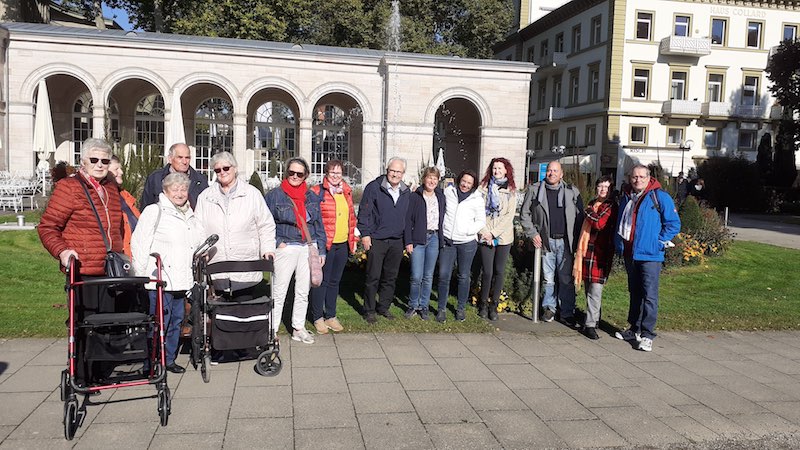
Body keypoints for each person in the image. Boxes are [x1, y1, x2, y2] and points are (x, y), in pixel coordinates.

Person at [194, 151, 276, 360]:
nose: (222, 173)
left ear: (235, 168)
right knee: (221, 308)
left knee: (244, 307)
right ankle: (222, 347)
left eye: (226, 168)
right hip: (218, 261)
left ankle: (246, 345)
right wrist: (202, 250)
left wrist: (267, 248)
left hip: (245, 261)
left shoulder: (252, 194)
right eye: (218, 170)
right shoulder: (206, 196)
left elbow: (265, 224)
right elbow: (198, 227)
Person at [131, 173, 205, 373]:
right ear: (166, 191)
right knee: (158, 323)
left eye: (183, 189)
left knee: (176, 322)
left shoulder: (189, 213)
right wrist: (141, 274)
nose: (180, 193)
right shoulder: (154, 211)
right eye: (175, 189)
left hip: (182, 279)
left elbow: (197, 241)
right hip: (160, 278)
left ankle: (168, 360)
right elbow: (139, 242)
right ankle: (150, 363)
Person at [614, 164, 680, 352]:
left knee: (650, 295)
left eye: (642, 177)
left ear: (648, 178)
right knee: (635, 292)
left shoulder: (659, 197)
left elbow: (673, 224)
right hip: (631, 252)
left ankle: (647, 334)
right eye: (635, 177)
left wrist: (659, 242)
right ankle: (634, 329)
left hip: (651, 254)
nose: (638, 180)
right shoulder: (627, 196)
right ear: (630, 178)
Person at [39, 138, 123, 277]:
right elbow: (47, 226)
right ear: (83, 161)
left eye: (105, 161)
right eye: (94, 160)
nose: (100, 165)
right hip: (83, 269)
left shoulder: (111, 189)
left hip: (113, 269)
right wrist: (62, 251)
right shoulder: (69, 187)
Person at [265, 157, 326, 344]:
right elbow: (265, 223)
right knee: (279, 290)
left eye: (299, 174)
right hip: (287, 246)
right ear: (286, 173)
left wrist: (321, 249)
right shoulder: (275, 195)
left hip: (308, 246)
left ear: (305, 175)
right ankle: (271, 330)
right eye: (291, 172)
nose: (295, 176)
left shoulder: (311, 197)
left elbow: (318, 224)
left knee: (302, 291)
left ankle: (298, 327)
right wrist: (277, 242)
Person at [520, 161, 584, 326]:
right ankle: (549, 308)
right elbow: (524, 214)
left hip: (566, 242)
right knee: (548, 279)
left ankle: (567, 312)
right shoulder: (534, 190)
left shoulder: (572, 192)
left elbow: (580, 218)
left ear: (561, 174)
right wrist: (532, 233)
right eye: (549, 170)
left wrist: (579, 243)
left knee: (566, 279)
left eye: (555, 171)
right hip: (546, 242)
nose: (552, 173)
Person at [357, 157, 411, 324]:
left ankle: (383, 307)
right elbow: (364, 212)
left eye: (398, 172)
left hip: (396, 240)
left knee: (390, 277)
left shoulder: (405, 191)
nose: (394, 174)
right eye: (392, 170)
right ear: (387, 170)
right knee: (373, 276)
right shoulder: (374, 187)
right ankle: (369, 310)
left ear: (403, 174)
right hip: (377, 239)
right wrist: (365, 234)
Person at [310, 160, 357, 334]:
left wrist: (353, 237)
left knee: (335, 281)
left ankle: (330, 314)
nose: (336, 176)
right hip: (326, 244)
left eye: (339, 173)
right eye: (332, 173)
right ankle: (317, 317)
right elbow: (312, 219)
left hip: (342, 243)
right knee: (321, 281)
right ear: (326, 174)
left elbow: (351, 216)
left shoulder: (346, 191)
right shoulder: (317, 191)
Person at [437, 169, 485, 323]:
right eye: (464, 181)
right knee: (444, 275)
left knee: (463, 276)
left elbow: (481, 221)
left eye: (469, 183)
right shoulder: (448, 192)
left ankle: (460, 309)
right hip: (448, 241)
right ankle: (441, 309)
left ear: (473, 185)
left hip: (466, 243)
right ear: (459, 180)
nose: (465, 185)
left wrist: (468, 231)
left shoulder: (477, 199)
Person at [572, 176, 617, 340]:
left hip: (600, 253)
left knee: (595, 291)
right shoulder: (593, 202)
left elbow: (599, 224)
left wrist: (588, 210)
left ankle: (590, 325)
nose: (603, 190)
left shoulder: (610, 205)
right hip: (587, 251)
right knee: (588, 289)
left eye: (606, 187)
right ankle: (595, 318)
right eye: (600, 186)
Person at [477, 158, 517, 321]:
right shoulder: (483, 188)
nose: (497, 171)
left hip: (503, 237)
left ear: (506, 170)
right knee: (487, 272)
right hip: (485, 234)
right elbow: (478, 212)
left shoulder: (511, 191)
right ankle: (483, 304)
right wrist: (485, 232)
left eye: (500, 168)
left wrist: (494, 233)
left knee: (499, 272)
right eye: (494, 168)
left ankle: (494, 305)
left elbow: (509, 217)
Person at [403, 166, 445, 321]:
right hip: (418, 239)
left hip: (434, 238)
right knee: (416, 276)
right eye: (429, 177)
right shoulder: (415, 196)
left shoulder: (440, 196)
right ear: (424, 179)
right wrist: (408, 241)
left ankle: (424, 305)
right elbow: (407, 220)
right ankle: (413, 305)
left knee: (428, 276)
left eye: (435, 178)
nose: (432, 181)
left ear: (438, 180)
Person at [140, 142, 208, 209]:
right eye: (180, 157)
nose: (184, 162)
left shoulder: (200, 181)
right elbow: (146, 207)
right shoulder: (155, 179)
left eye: (187, 158)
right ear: (170, 159)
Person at [108, 155, 141, 257]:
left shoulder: (125, 196)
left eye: (120, 168)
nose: (121, 172)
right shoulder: (105, 199)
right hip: (119, 257)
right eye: (116, 169)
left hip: (134, 254)